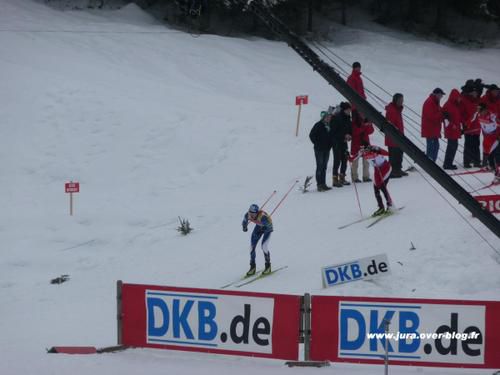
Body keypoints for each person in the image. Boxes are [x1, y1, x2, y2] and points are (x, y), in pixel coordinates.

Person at [358, 145, 393, 216]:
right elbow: (352, 159)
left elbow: (387, 153)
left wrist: (378, 150)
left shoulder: (374, 148)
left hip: (386, 168)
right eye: (363, 150)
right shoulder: (362, 152)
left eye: (365, 149)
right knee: (376, 188)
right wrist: (348, 156)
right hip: (377, 170)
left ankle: (390, 205)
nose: (364, 151)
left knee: (383, 187)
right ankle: (381, 208)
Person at [242, 204, 273, 276]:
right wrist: (244, 226)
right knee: (252, 247)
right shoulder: (248, 214)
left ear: (257, 212)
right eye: (250, 212)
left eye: (253, 213)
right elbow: (244, 221)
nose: (251, 215)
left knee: (264, 247)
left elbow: (268, 225)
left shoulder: (263, 217)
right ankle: (252, 267)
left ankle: (268, 266)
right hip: (259, 227)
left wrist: (266, 227)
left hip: (267, 229)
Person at [472, 103, 499, 174]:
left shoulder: (492, 116)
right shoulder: (478, 114)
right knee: (486, 151)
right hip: (486, 136)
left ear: (485, 110)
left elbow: (498, 124)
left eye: (480, 110)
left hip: (494, 136)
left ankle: (497, 169)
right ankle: (487, 166)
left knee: (494, 151)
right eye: (478, 110)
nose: (479, 112)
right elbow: (471, 120)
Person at [385, 93, 407, 177]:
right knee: (394, 155)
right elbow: (391, 125)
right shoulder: (391, 110)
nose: (402, 102)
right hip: (393, 137)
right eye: (400, 100)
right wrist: (396, 134)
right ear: (395, 100)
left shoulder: (397, 109)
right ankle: (393, 171)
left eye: (402, 100)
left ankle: (398, 169)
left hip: (399, 136)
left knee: (399, 153)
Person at [309, 111, 333, 191]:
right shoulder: (318, 125)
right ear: (323, 118)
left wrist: (330, 144)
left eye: (329, 117)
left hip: (327, 149)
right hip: (319, 149)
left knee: (324, 167)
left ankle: (323, 184)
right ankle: (319, 185)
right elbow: (311, 135)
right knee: (320, 166)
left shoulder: (329, 126)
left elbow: (330, 137)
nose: (329, 118)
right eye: (327, 117)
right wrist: (317, 143)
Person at [330, 102, 353, 187]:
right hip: (336, 142)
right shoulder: (336, 118)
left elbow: (350, 129)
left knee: (345, 159)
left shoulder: (348, 118)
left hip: (344, 142)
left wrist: (350, 135)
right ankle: (335, 179)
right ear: (343, 110)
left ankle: (342, 177)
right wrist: (344, 135)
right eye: (347, 110)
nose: (349, 111)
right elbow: (333, 131)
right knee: (337, 160)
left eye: (350, 110)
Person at [421, 88, 445, 162]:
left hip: (434, 129)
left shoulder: (435, 102)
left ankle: (432, 162)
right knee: (431, 147)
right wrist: (442, 114)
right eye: (441, 95)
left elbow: (439, 111)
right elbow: (431, 116)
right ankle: (429, 163)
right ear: (436, 94)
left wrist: (444, 113)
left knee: (436, 146)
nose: (441, 97)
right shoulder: (429, 102)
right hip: (430, 129)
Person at [461, 82, 482, 168]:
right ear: (470, 93)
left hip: (477, 128)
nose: (475, 94)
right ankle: (467, 162)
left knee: (476, 145)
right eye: (474, 92)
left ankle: (476, 161)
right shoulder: (465, 101)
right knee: (468, 146)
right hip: (468, 127)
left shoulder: (478, 101)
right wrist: (465, 123)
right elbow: (462, 114)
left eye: (476, 92)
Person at [442, 89, 463, 170]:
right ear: (454, 97)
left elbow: (457, 118)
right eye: (458, 97)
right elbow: (445, 118)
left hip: (455, 130)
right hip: (451, 130)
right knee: (452, 147)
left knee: (453, 146)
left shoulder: (455, 105)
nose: (459, 99)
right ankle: (447, 164)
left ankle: (448, 163)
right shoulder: (448, 105)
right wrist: (452, 125)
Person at [350, 116, 373, 183]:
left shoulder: (366, 120)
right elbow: (355, 132)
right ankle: (354, 178)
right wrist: (364, 126)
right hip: (356, 144)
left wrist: (370, 124)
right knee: (355, 162)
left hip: (365, 143)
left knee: (366, 162)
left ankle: (366, 176)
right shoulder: (354, 122)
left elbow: (371, 131)